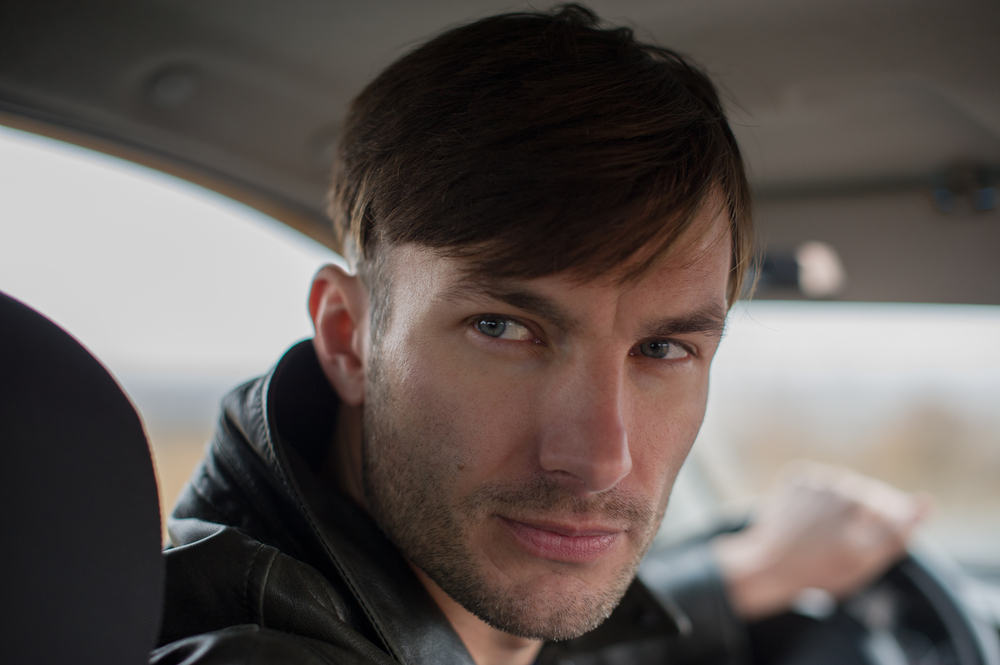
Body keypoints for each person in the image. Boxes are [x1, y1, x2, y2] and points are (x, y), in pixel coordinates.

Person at [152, 5, 927, 665]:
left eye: (661, 349)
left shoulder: (453, 586)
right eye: (504, 328)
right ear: (350, 336)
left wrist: (741, 576)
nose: (597, 460)